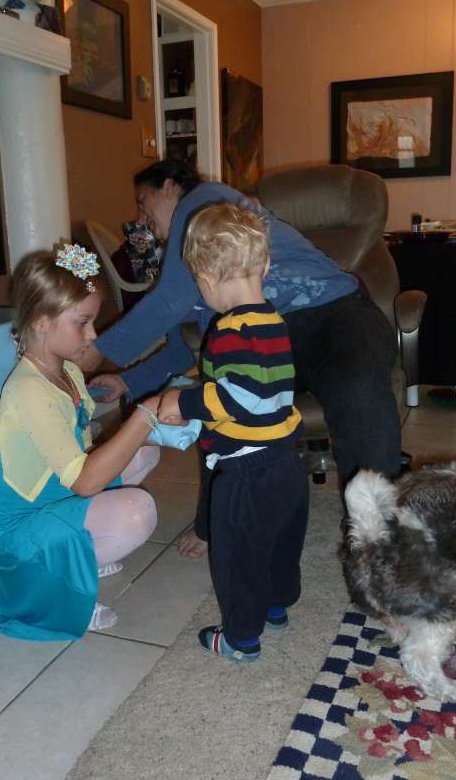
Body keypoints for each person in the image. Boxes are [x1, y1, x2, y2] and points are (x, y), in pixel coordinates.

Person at [82, 159, 400, 559]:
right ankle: (217, 517)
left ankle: (380, 535)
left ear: (170, 187)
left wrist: (94, 353)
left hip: (334, 313)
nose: (140, 217)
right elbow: (183, 345)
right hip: (262, 336)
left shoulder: (205, 204)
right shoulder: (195, 263)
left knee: (357, 389)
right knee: (218, 397)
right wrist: (126, 381)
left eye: (143, 202)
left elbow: (168, 303)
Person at [0, 244, 161, 640]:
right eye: (82, 322)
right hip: (16, 529)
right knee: (137, 510)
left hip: (52, 495)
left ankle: (82, 552)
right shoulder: (28, 390)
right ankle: (61, 581)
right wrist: (145, 416)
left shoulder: (66, 369)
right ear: (41, 322)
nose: (93, 334)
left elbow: (78, 445)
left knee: (144, 452)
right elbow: (84, 481)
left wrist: (141, 428)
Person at [158, 203, 308, 662]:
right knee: (279, 541)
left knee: (237, 556)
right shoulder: (273, 321)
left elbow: (242, 396)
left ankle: (241, 638)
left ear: (206, 278)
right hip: (285, 459)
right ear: (265, 264)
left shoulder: (228, 330)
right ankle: (276, 606)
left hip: (246, 470)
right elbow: (260, 388)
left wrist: (183, 403)